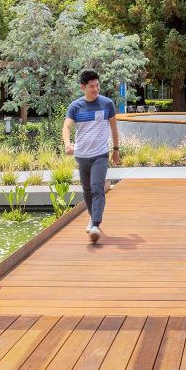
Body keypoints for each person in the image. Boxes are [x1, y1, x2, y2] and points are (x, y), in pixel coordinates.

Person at [63, 70, 121, 243]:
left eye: (97, 85)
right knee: (87, 191)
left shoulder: (107, 104)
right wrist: (67, 144)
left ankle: (95, 224)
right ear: (83, 87)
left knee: (97, 188)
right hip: (82, 155)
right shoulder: (75, 106)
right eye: (91, 86)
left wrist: (116, 149)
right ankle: (92, 217)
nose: (95, 89)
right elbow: (66, 127)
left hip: (100, 155)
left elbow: (114, 128)